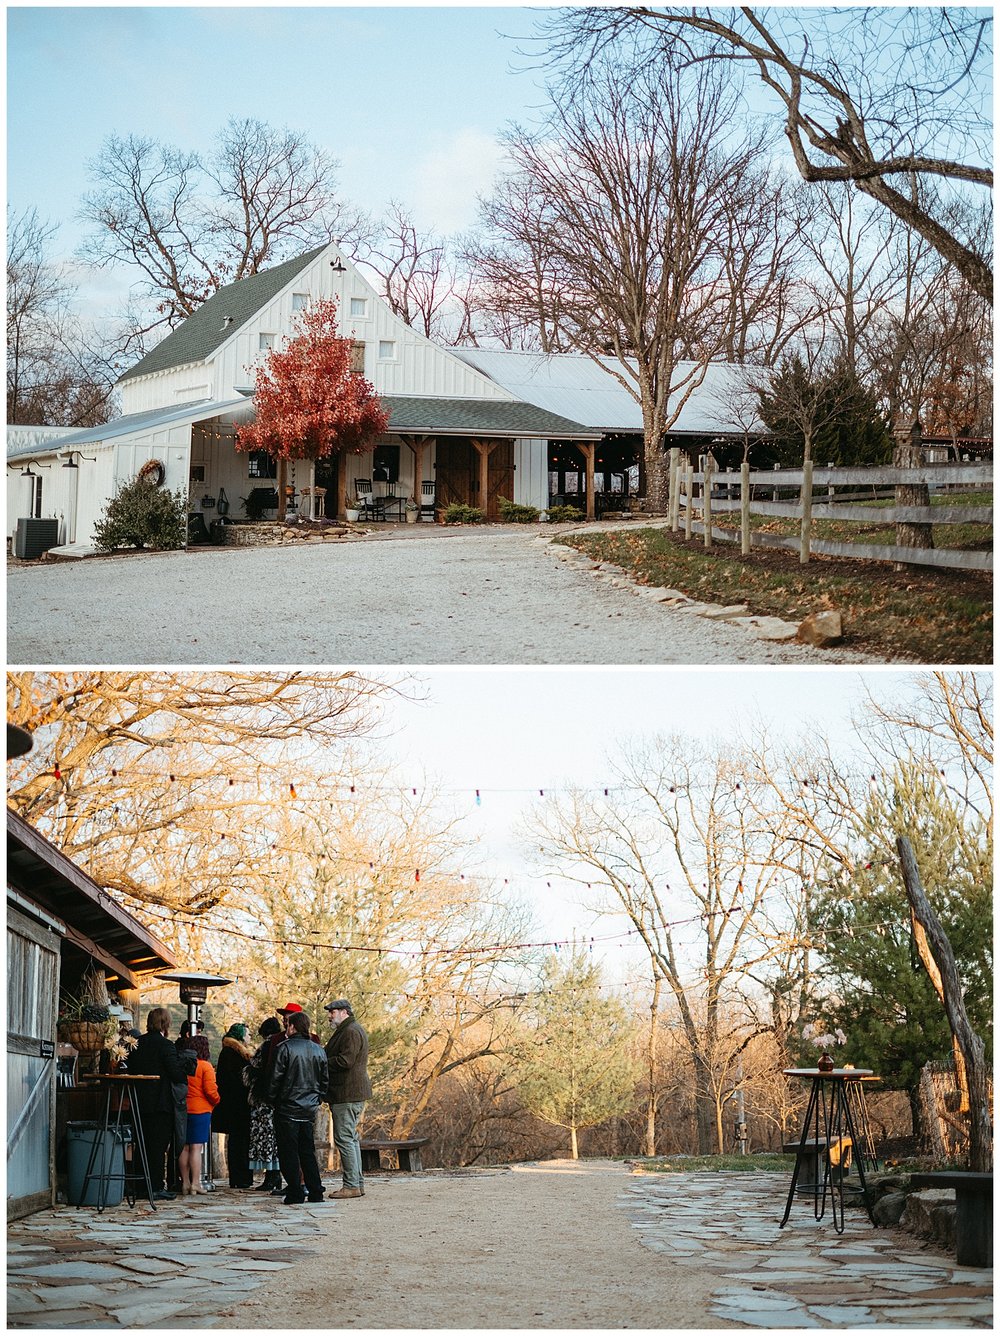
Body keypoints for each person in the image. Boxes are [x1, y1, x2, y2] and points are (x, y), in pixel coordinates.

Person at [128, 1006, 196, 1201]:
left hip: (139, 1101)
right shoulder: (166, 1046)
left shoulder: (137, 1044)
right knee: (157, 1147)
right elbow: (175, 1073)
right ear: (165, 1024)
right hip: (160, 1103)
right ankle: (156, 1186)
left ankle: (141, 1186)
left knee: (141, 1145)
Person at [266, 1010, 328, 1205]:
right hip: (309, 1108)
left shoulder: (284, 1049)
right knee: (307, 1151)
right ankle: (316, 1191)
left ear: (292, 1026)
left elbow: (274, 1080)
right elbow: (324, 1080)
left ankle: (295, 1191)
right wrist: (317, 1099)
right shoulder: (319, 1050)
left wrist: (272, 1100)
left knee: (288, 1152)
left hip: (287, 1108)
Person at [323, 999, 372, 1200]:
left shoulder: (350, 1031)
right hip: (349, 1093)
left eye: (332, 1012)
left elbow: (346, 1061)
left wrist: (322, 1061)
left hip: (347, 1093)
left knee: (344, 1138)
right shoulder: (349, 1029)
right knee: (350, 1138)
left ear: (344, 1012)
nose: (329, 1016)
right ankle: (356, 1183)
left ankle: (352, 1185)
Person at [213, 1022, 254, 1189]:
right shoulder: (231, 1054)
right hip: (237, 1105)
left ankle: (241, 1176)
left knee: (239, 1141)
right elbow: (234, 1080)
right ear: (240, 1035)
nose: (250, 1037)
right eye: (248, 1034)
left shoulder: (232, 1053)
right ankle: (240, 1177)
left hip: (236, 1105)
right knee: (239, 1141)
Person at [246, 1017, 283, 1193]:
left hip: (263, 1100)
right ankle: (276, 1175)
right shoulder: (283, 1044)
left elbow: (251, 1071)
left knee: (266, 1140)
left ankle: (271, 1176)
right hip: (279, 1101)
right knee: (276, 1140)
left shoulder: (265, 1048)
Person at [180, 1034, 219, 1194]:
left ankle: (185, 1183)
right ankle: (196, 1183)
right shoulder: (205, 1066)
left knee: (184, 1147)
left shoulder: (183, 1064)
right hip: (201, 1109)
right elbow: (211, 1091)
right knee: (196, 1148)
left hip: (183, 1109)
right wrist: (216, 1100)